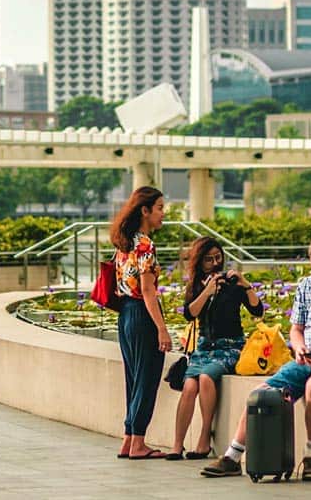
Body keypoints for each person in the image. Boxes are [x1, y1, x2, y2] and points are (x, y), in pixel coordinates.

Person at [201, 234, 311, 481]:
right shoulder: (307, 285)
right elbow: (296, 329)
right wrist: (299, 349)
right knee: (261, 394)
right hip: (307, 357)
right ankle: (232, 457)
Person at [168, 237, 263, 461]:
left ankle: (204, 440)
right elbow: (189, 313)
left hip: (229, 346)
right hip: (204, 347)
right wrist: (208, 291)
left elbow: (257, 310)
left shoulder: (232, 284)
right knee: (189, 386)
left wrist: (245, 284)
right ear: (200, 262)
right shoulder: (197, 285)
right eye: (209, 259)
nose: (215, 263)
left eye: (218, 258)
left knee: (207, 377)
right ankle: (177, 444)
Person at [109, 186, 172, 460]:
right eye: (159, 208)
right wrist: (162, 328)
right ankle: (138, 443)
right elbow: (148, 291)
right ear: (145, 210)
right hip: (142, 315)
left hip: (125, 316)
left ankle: (128, 439)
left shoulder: (124, 244)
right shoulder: (145, 245)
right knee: (147, 380)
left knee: (133, 379)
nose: (163, 214)